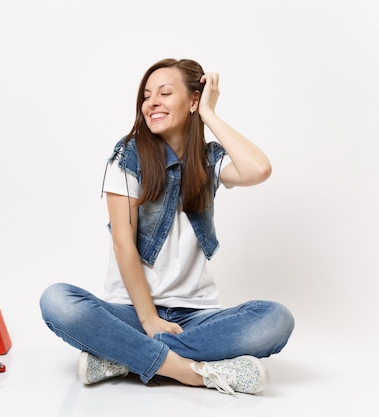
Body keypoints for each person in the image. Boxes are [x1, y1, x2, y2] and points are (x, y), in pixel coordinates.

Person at [39, 58, 294, 395]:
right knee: (57, 300)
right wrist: (148, 320)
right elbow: (123, 245)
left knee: (276, 319)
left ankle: (121, 357)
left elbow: (258, 169)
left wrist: (211, 115)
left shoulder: (208, 161)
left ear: (193, 101)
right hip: (131, 311)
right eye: (146, 95)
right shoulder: (128, 155)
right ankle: (190, 371)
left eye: (164, 93)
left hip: (193, 316)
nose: (151, 102)